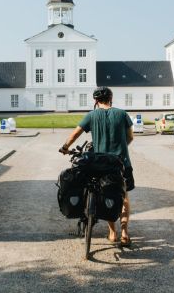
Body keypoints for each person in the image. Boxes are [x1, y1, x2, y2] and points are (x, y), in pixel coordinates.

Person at [59, 86, 134, 247]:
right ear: (110, 99)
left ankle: (113, 233)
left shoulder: (91, 115)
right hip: (121, 162)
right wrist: (121, 148)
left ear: (95, 101)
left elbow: (75, 134)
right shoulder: (122, 114)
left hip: (99, 163)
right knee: (123, 196)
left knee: (107, 194)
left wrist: (65, 147)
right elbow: (130, 137)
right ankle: (125, 234)